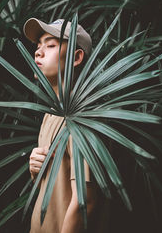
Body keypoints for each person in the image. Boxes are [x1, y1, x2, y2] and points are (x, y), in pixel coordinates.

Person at [23, 18, 109, 233]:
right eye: (38, 46)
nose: (38, 52)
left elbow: (85, 203)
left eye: (50, 45)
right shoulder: (50, 114)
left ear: (76, 57)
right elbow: (56, 189)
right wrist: (36, 170)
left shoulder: (82, 117)